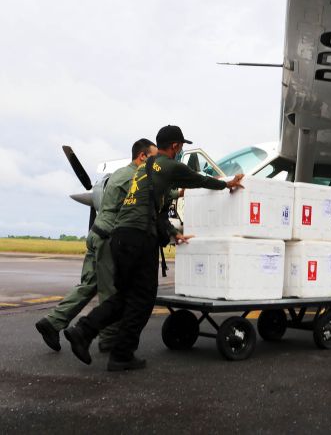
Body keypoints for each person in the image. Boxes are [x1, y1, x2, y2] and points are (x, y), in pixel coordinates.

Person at [64, 125, 244, 371]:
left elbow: (154, 211)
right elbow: (200, 180)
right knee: (143, 299)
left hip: (120, 237)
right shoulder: (171, 166)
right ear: (176, 146)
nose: (181, 151)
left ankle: (83, 331)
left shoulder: (145, 168)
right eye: (181, 146)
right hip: (139, 239)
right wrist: (228, 184)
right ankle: (122, 354)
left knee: (125, 296)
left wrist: (172, 234)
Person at [35, 139, 157, 352]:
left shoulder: (117, 174)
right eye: (154, 158)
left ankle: (53, 322)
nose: (156, 164)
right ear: (143, 157)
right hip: (109, 238)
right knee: (110, 289)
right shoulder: (136, 177)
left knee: (90, 283)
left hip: (96, 233)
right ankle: (108, 340)